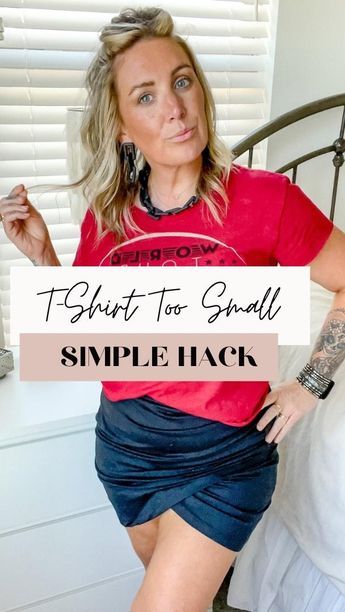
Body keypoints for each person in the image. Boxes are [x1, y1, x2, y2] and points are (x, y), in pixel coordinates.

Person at [1, 7, 345, 612]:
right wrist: (46, 259)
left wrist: (308, 384)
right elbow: (90, 334)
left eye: (183, 81)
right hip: (125, 456)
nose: (176, 108)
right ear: (122, 128)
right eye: (147, 95)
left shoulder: (270, 199)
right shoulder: (106, 217)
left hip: (222, 462)